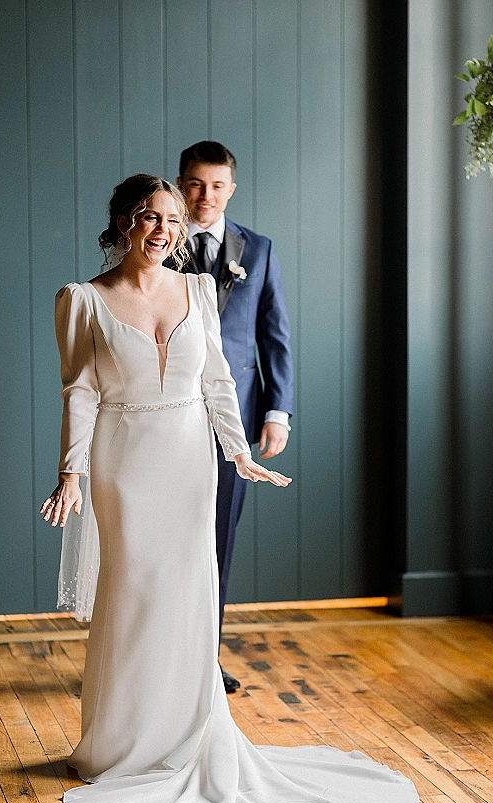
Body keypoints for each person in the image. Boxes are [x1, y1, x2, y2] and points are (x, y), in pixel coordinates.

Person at [40, 174, 418, 803]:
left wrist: (238, 454)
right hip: (123, 465)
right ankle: (121, 745)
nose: (163, 230)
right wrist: (70, 474)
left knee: (189, 592)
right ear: (123, 222)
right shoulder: (82, 300)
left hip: (189, 462)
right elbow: (81, 393)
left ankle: (187, 737)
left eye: (174, 220)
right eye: (150, 217)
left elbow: (218, 377)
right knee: (134, 596)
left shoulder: (199, 291)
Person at [174, 141, 294, 693]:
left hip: (236, 418)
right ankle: (160, 660)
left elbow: (275, 335)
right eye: (196, 184)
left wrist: (277, 411)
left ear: (232, 189)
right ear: (181, 183)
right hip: (168, 410)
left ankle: (205, 661)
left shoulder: (260, 249)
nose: (206, 196)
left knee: (219, 537)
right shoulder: (159, 241)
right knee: (166, 539)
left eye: (217, 185)